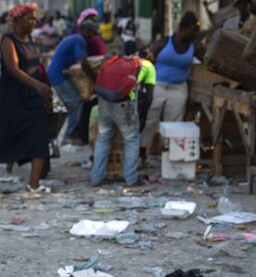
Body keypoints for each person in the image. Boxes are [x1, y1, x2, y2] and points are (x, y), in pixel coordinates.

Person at [0, 3, 52, 189]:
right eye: (29, 18)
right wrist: (38, 86)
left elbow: (37, 67)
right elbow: (13, 69)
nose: (33, 22)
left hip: (33, 96)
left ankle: (33, 184)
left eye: (35, 18)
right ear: (18, 21)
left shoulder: (33, 41)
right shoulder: (8, 40)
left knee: (40, 135)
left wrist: (45, 89)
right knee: (7, 136)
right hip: (13, 97)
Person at [91, 40, 155, 187]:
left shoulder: (114, 62)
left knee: (103, 138)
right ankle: (131, 179)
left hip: (104, 103)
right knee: (131, 140)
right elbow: (149, 95)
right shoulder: (147, 66)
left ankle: (96, 178)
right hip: (124, 105)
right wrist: (142, 115)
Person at [140, 11, 205, 154]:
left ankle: (170, 155)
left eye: (197, 31)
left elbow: (207, 59)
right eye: (193, 31)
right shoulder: (164, 42)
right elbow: (148, 60)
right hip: (158, 86)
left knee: (174, 124)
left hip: (178, 88)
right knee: (150, 120)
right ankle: (142, 153)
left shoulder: (194, 46)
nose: (195, 34)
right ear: (183, 29)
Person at [49, 19, 99, 144]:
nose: (92, 36)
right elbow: (83, 62)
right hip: (58, 76)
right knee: (76, 102)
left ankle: (72, 133)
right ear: (86, 31)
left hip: (57, 75)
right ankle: (69, 135)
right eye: (91, 33)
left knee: (73, 103)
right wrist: (95, 79)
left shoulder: (74, 38)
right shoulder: (79, 40)